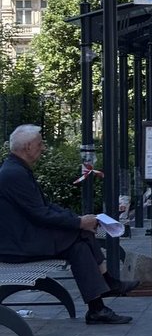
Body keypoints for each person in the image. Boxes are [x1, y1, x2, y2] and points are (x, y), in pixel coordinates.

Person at [0, 125, 138, 325]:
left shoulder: (17, 169)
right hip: (15, 246)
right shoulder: (14, 173)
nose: (43, 148)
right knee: (80, 234)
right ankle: (109, 283)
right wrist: (79, 222)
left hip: (23, 238)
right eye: (40, 144)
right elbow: (41, 214)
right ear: (28, 147)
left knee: (79, 244)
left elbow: (46, 207)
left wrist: (78, 219)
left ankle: (97, 308)